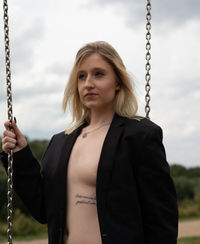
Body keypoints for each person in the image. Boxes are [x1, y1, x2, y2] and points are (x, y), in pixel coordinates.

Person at [1, 41, 178, 244]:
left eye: (99, 74)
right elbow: (44, 209)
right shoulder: (60, 142)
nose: (88, 84)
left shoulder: (140, 136)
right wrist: (21, 154)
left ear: (118, 82)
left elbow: (162, 219)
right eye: (81, 76)